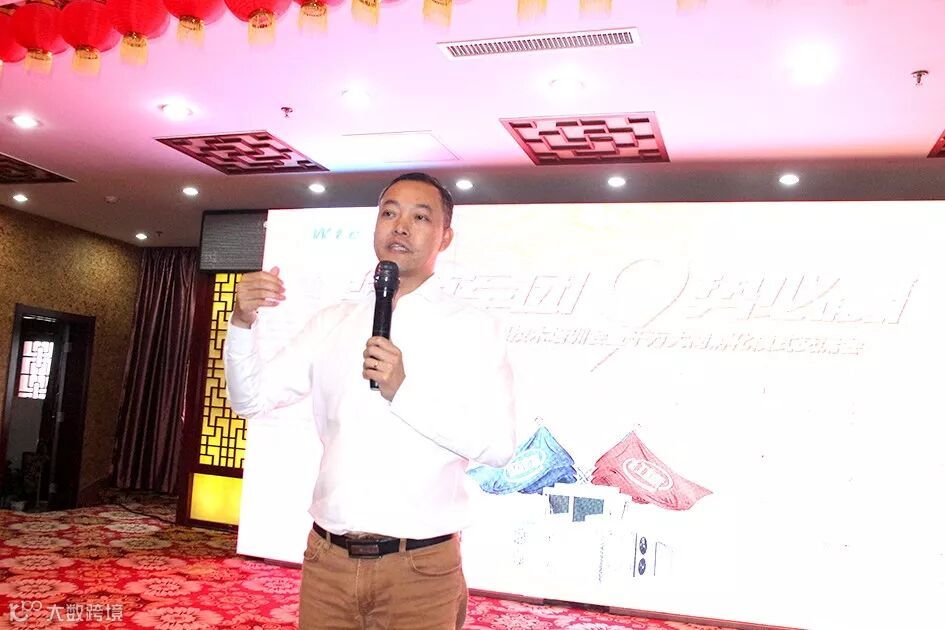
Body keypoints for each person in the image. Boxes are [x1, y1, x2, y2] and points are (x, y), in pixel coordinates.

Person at [224, 172, 517, 630]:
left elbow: (498, 447)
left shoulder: (474, 328)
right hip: (328, 561)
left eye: (420, 217)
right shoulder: (333, 321)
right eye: (389, 213)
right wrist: (242, 322)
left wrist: (403, 391)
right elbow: (251, 400)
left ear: (445, 236)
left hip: (419, 569)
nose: (400, 226)